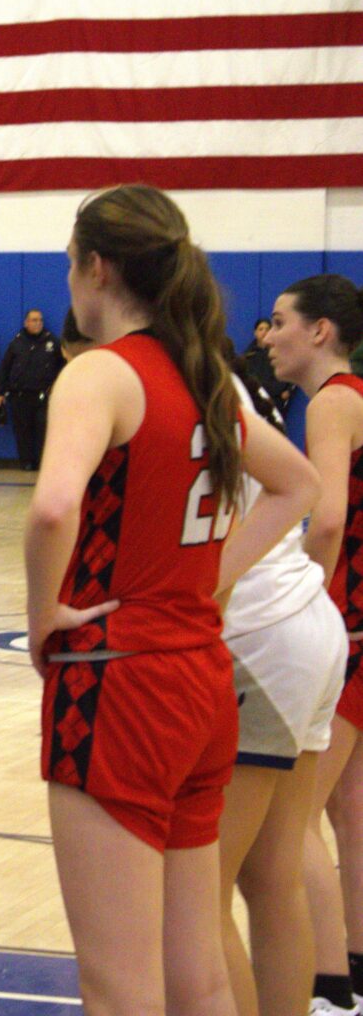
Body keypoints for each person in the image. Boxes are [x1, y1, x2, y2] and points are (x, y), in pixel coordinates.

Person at [25, 184, 320, 1016]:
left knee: (119, 985)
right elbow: (295, 484)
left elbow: (52, 508)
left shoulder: (100, 375)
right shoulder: (205, 377)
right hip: (201, 681)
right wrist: (204, 579)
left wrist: (41, 613)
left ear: (95, 266)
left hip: (120, 684)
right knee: (200, 975)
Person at [217, 352, 347, 1016]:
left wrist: (203, 587)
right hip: (308, 622)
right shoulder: (223, 380)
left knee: (199, 892)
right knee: (273, 875)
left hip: (260, 633)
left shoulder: (162, 383)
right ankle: (328, 993)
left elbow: (313, 502)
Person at [261, 276, 363, 1016]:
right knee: (351, 811)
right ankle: (353, 969)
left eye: (277, 323)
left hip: (348, 626)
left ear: (319, 331)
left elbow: (325, 519)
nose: (266, 337)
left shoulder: (331, 402)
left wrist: (308, 600)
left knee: (287, 820)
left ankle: (328, 991)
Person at [0, 308, 63, 470]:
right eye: (34, 320)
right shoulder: (17, 342)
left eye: (40, 320)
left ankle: (41, 462)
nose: (38, 323)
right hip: (20, 395)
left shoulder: (52, 341)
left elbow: (63, 365)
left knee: (42, 430)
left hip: (43, 395)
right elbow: (4, 368)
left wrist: (56, 385)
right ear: (26, 323)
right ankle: (26, 462)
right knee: (22, 431)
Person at [243, 318, 293, 416]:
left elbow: (292, 370)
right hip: (256, 401)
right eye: (260, 329)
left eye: (267, 329)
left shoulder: (280, 351)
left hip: (276, 400)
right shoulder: (248, 355)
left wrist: (289, 390)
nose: (264, 332)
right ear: (255, 333)